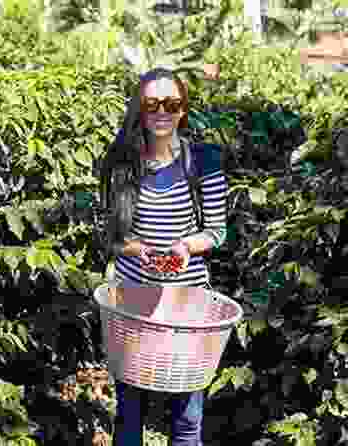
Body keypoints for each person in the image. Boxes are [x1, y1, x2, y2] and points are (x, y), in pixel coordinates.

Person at [98, 67, 228, 446]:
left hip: (186, 302)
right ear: (139, 108)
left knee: (187, 415)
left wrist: (185, 246)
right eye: (152, 103)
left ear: (183, 109)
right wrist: (145, 252)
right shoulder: (121, 161)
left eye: (172, 104)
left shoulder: (203, 160)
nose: (162, 112)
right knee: (129, 412)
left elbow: (217, 231)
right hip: (132, 301)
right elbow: (113, 237)